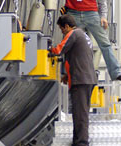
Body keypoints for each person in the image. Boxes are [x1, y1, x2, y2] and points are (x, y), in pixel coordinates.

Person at [51, 14, 97, 146]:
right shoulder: (82, 34)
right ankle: (78, 140)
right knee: (79, 112)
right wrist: (67, 75)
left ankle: (81, 142)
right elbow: (78, 57)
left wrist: (47, 50)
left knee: (80, 114)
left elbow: (59, 49)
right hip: (86, 78)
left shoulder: (73, 33)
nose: (62, 33)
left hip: (81, 80)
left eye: (61, 29)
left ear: (66, 26)